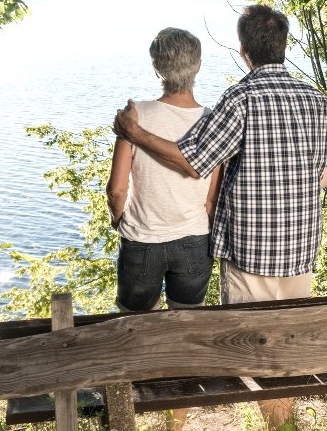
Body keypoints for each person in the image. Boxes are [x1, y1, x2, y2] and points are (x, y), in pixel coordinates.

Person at [112, 4, 327, 430]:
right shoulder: (314, 98)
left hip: (250, 246)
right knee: (289, 343)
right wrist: (305, 187)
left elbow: (193, 162)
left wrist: (135, 133)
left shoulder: (240, 99)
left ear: (243, 49)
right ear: (284, 44)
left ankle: (276, 425)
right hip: (299, 245)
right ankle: (284, 423)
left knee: (253, 347)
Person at [105, 27, 222, 431]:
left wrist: (121, 219)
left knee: (133, 332)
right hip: (194, 241)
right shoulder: (211, 121)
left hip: (142, 242)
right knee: (184, 334)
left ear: (157, 65)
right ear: (198, 66)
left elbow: (117, 189)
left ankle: (133, 416)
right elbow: (212, 193)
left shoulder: (135, 115)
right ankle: (176, 422)